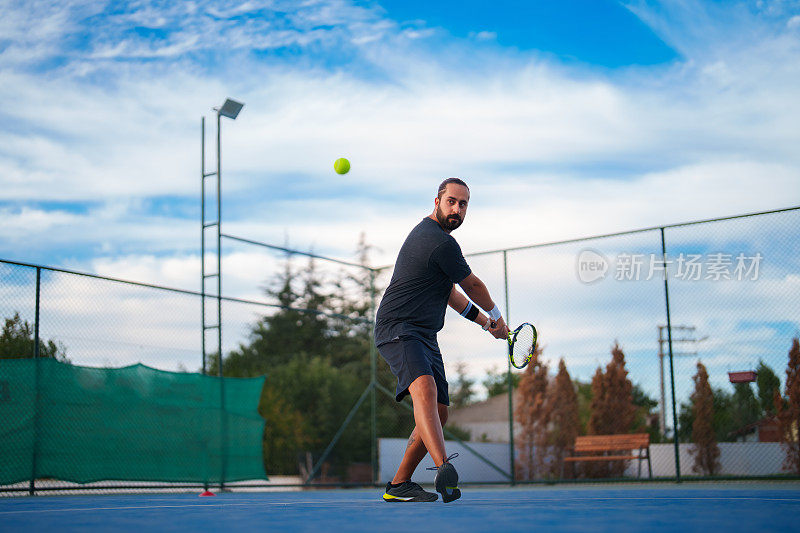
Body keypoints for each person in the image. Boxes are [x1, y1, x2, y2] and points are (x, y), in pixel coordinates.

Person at [375, 177, 509, 503]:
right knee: (424, 388)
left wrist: (485, 323)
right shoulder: (438, 241)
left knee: (440, 411)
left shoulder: (439, 244)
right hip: (398, 328)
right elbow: (472, 286)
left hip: (424, 335)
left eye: (463, 204)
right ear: (437, 201)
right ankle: (443, 468)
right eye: (452, 201)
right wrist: (499, 315)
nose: (457, 209)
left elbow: (450, 293)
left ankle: (399, 485)